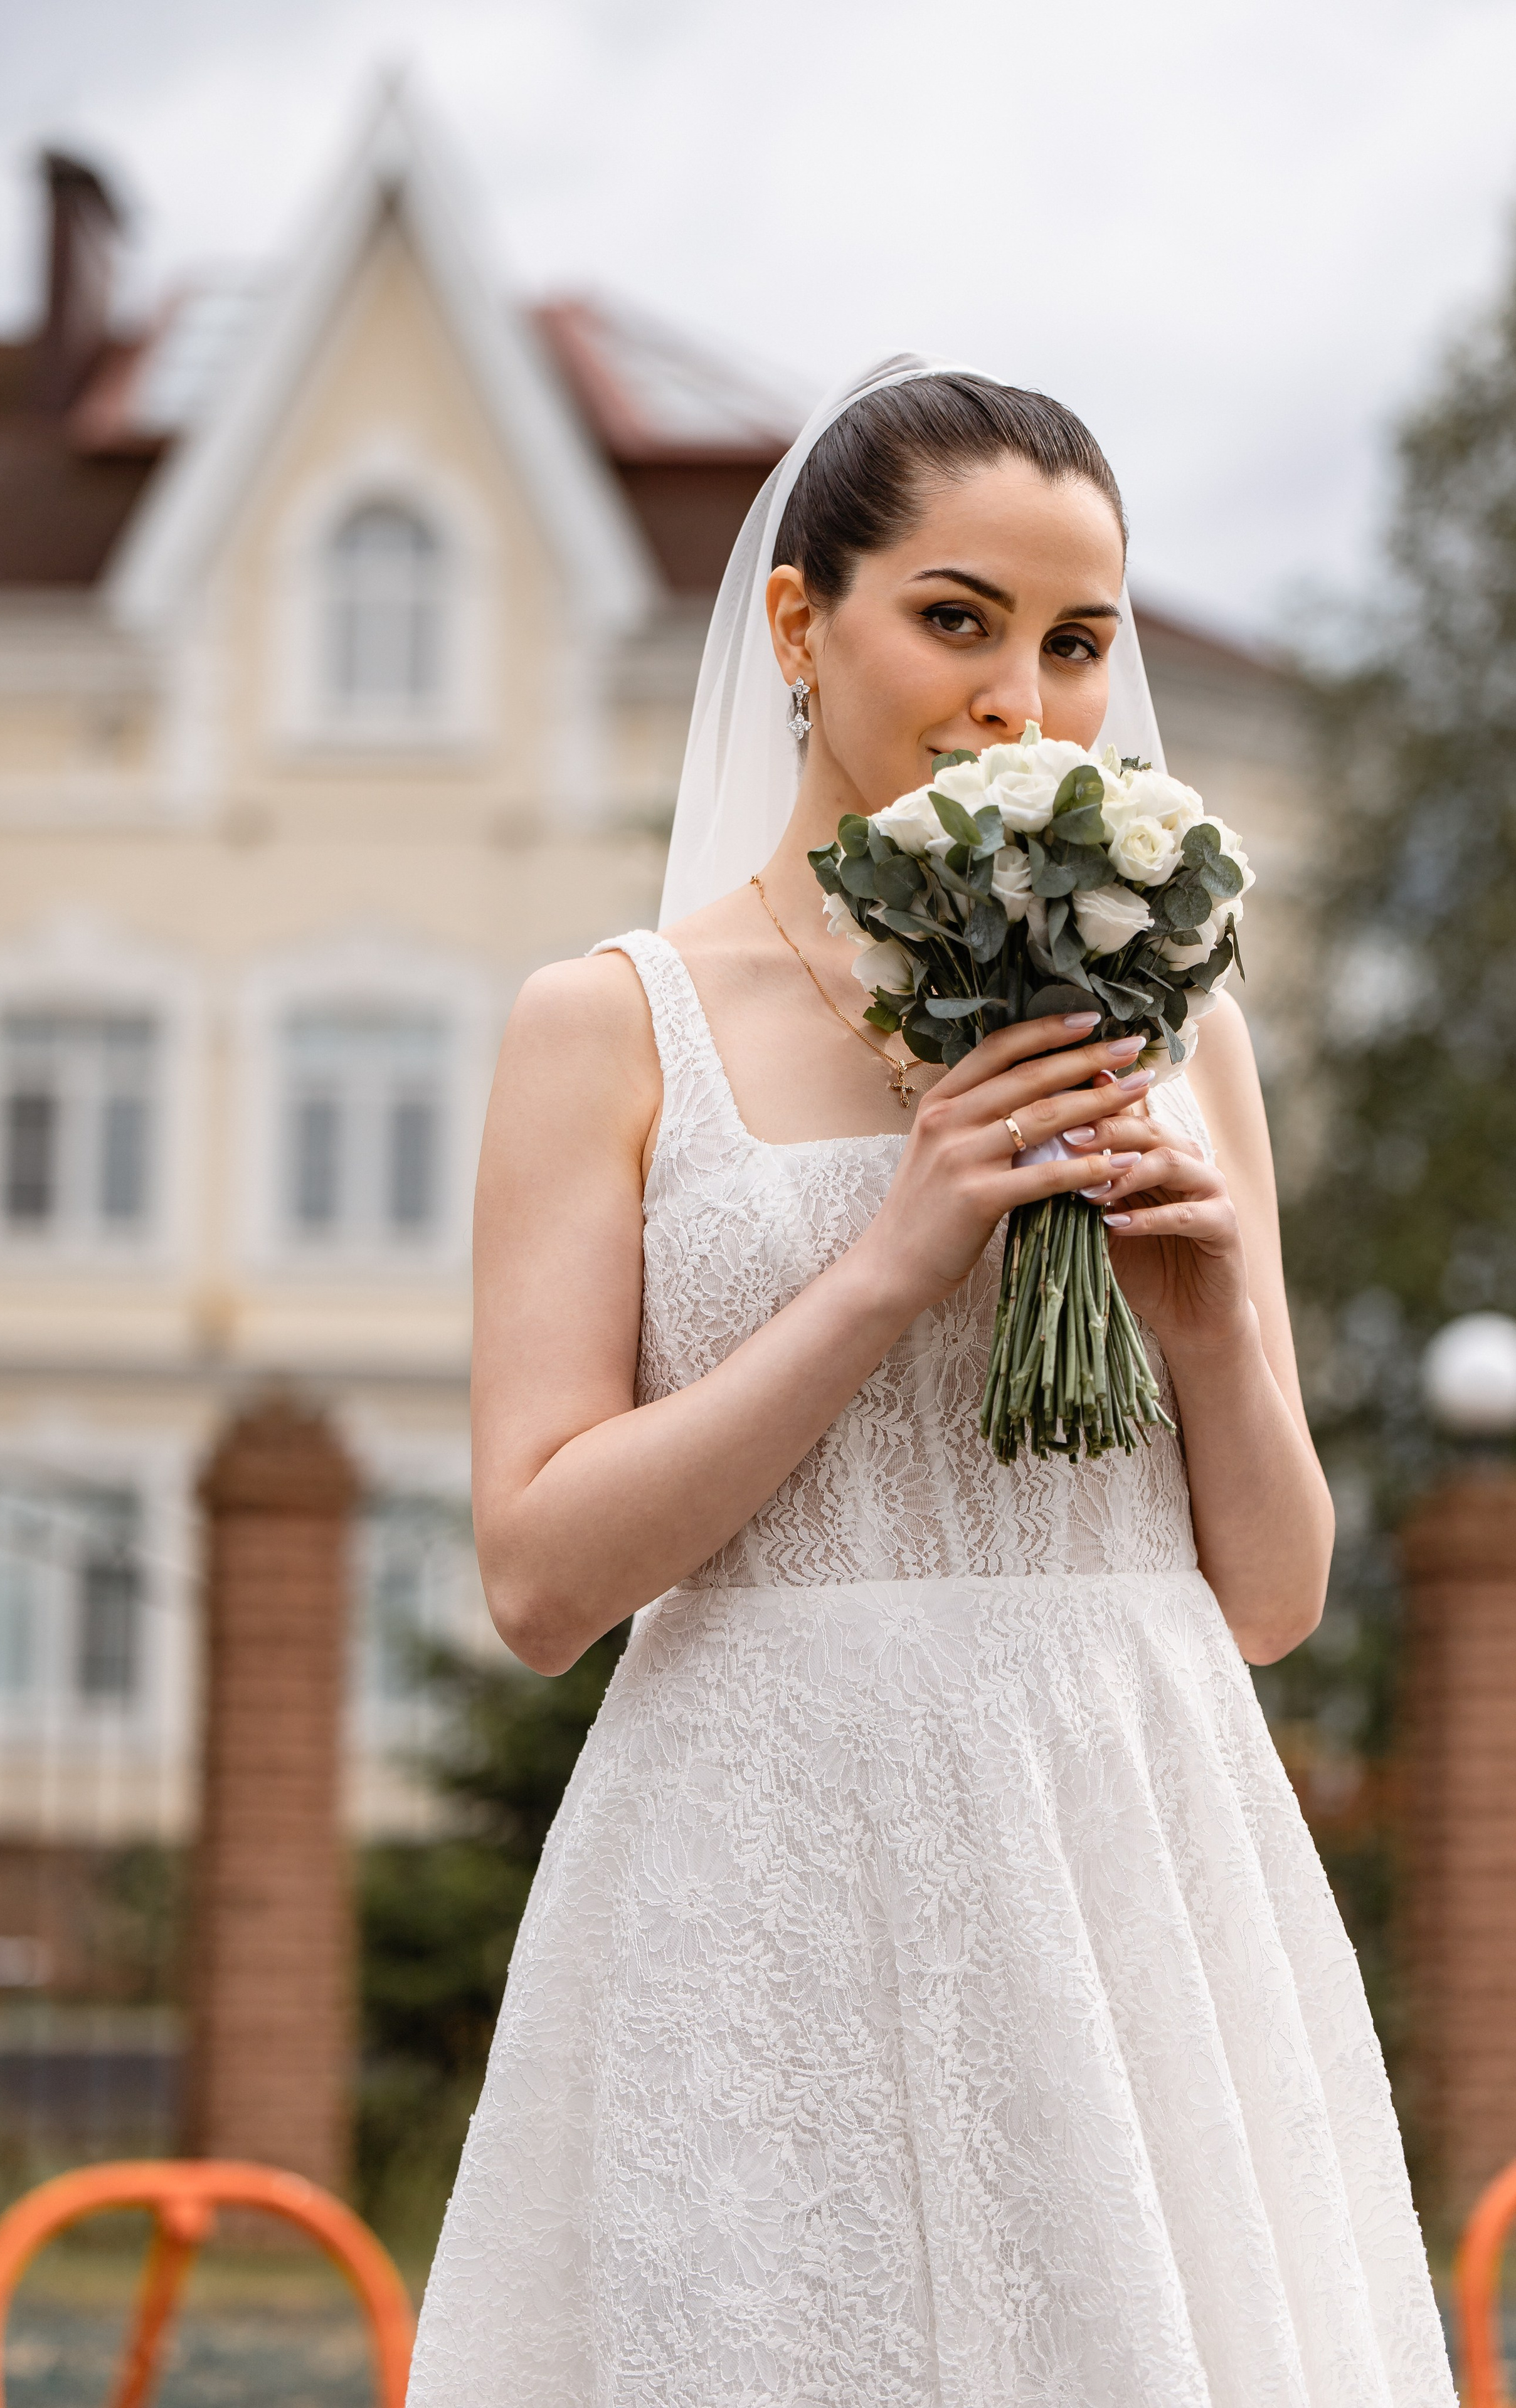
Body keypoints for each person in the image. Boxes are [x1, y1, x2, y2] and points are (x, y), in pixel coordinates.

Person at [408, 361, 1455, 2405]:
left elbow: (1272, 1597)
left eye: (1076, 644)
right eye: (957, 620)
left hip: (1130, 1841)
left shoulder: (1175, 1028)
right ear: (804, 626)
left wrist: (1220, 1309)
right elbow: (541, 1584)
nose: (1024, 704)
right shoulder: (607, 1029)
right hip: (762, 1865)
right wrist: (887, 1266)